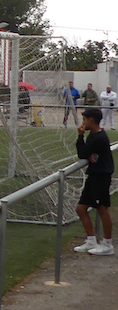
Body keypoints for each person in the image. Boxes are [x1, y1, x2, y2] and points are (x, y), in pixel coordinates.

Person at [72, 108, 114, 255]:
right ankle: (91, 240)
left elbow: (82, 154)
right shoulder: (93, 135)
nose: (83, 122)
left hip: (101, 177)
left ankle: (107, 244)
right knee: (81, 208)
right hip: (93, 176)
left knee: (102, 209)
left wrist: (80, 136)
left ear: (91, 120)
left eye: (84, 119)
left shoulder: (99, 138)